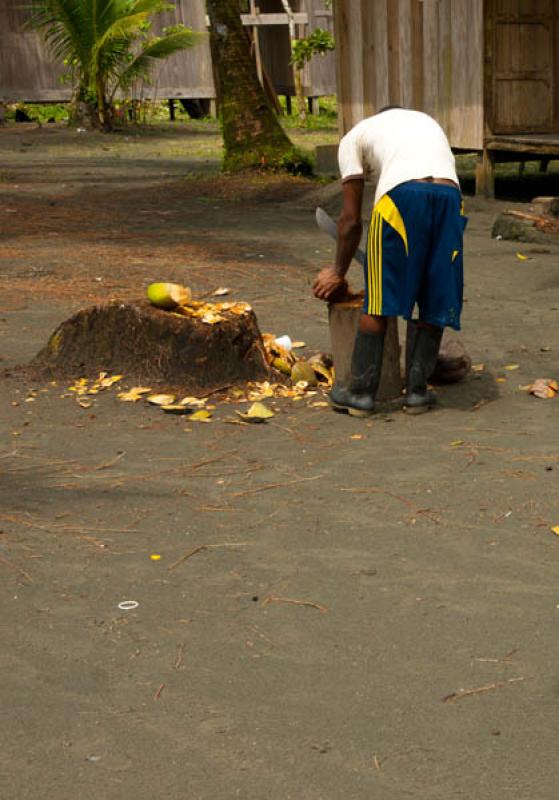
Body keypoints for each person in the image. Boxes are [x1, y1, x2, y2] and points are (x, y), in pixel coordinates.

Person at [313, 106, 467, 416]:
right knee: (433, 294)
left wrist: (337, 271)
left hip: (401, 198)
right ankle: (417, 394)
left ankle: (359, 394)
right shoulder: (425, 122)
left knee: (380, 297)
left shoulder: (353, 137)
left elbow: (350, 220)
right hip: (451, 199)